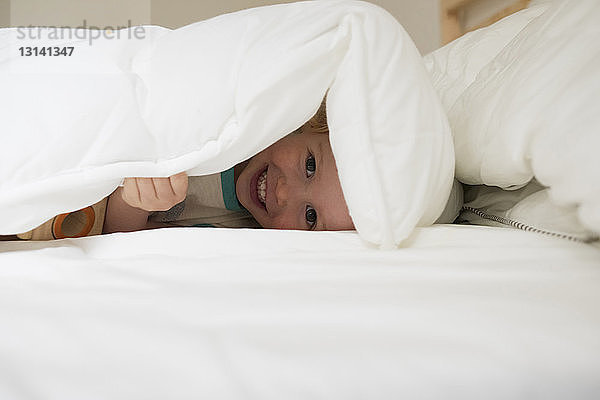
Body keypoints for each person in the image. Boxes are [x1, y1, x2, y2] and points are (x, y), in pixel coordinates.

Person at [102, 101, 355, 234]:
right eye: (310, 165)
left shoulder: (238, 235)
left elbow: (123, 239)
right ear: (313, 125)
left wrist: (134, 202)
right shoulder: (236, 119)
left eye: (310, 216)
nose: (283, 193)